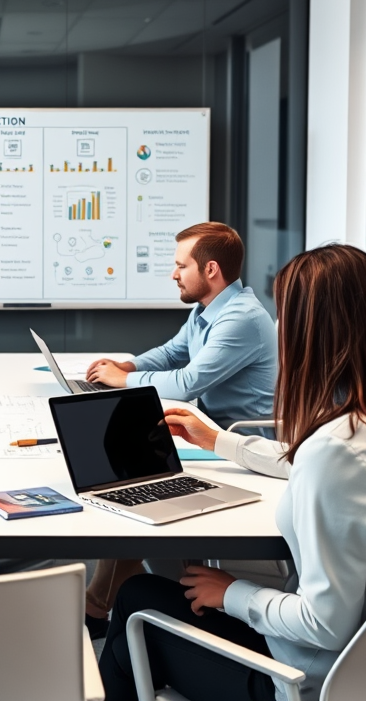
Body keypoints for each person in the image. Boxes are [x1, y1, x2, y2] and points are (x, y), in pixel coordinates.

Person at [99, 244, 366, 701]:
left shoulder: (337, 449)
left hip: (314, 682)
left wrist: (232, 594)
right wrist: (220, 441)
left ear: (310, 335)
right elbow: (317, 462)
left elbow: (324, 624)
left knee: (136, 599)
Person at [82, 222, 280, 638]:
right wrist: (128, 366)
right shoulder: (208, 309)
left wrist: (122, 382)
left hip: (235, 442)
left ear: (210, 270)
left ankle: (114, 594)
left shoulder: (241, 318)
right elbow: (173, 351)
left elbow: (188, 382)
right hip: (206, 430)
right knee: (118, 462)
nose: (174, 274)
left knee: (125, 466)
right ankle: (112, 589)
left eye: (179, 265)